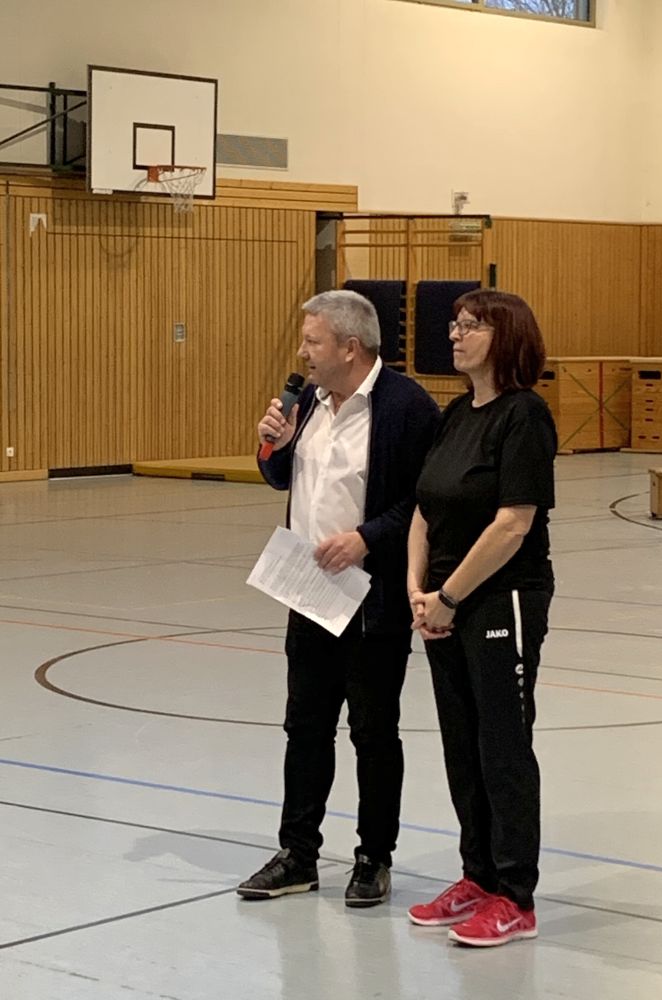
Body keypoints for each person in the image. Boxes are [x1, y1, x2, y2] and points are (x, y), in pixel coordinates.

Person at [237, 289, 440, 907]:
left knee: (373, 734)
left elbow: (426, 501)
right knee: (304, 728)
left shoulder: (406, 407)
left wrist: (366, 538)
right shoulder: (308, 400)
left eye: (313, 341)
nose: (303, 352)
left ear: (351, 347)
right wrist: (272, 447)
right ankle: (297, 854)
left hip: (371, 599)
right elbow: (285, 477)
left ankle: (374, 857)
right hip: (308, 592)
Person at [406, 289, 556, 947]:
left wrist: (450, 597)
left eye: (471, 325)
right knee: (462, 744)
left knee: (502, 745)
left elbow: (512, 524)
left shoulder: (524, 416)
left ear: (507, 337)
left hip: (501, 600)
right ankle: (478, 876)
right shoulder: (456, 413)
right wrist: (417, 589)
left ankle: (514, 896)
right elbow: (424, 507)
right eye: (455, 324)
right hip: (443, 602)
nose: (456, 334)